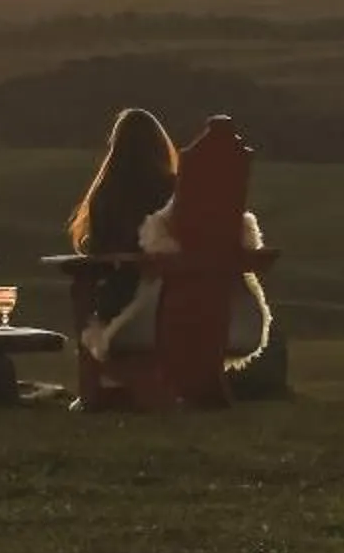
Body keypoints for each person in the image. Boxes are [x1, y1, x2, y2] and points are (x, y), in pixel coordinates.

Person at [68, 107, 271, 368]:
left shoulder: (105, 195)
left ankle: (98, 381)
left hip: (137, 313)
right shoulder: (182, 193)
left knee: (93, 297)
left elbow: (97, 253)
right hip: (206, 310)